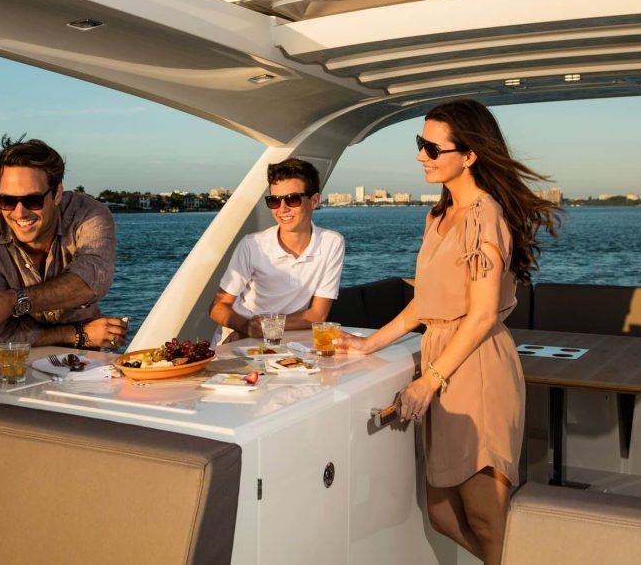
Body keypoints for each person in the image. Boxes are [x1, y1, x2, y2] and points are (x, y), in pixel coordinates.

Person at [335, 99, 559, 565]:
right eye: (420, 144)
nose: (421, 155)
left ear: (470, 154)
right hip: (445, 358)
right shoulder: (439, 216)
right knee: (441, 513)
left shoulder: (484, 217)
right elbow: (426, 302)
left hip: (476, 368)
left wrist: (427, 381)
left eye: (432, 148)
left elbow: (479, 316)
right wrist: (367, 343)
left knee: (485, 518)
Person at [0, 137, 124, 350]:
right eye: (7, 201)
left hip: (84, 361)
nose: (19, 212)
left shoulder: (89, 215)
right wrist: (78, 334)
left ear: (57, 194)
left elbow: (91, 282)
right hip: (14, 361)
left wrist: (12, 301)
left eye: (32, 200)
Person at [209, 158, 345, 344]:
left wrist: (266, 326)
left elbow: (317, 315)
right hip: (238, 338)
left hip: (286, 339)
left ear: (314, 201)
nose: (282, 209)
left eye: (292, 199)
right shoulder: (252, 245)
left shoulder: (332, 243)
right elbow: (218, 307)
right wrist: (247, 327)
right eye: (274, 200)